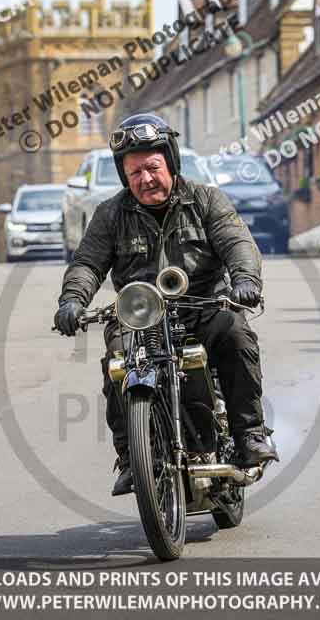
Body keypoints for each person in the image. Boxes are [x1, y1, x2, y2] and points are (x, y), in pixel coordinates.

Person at [54, 113, 278, 496]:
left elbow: (237, 243)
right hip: (141, 318)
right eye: (135, 172)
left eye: (153, 167)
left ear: (170, 163)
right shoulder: (110, 215)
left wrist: (245, 281)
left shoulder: (206, 200)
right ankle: (131, 459)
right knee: (117, 363)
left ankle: (249, 434)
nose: (145, 179)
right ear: (125, 177)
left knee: (236, 332)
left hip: (204, 305)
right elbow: (87, 264)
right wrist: (72, 301)